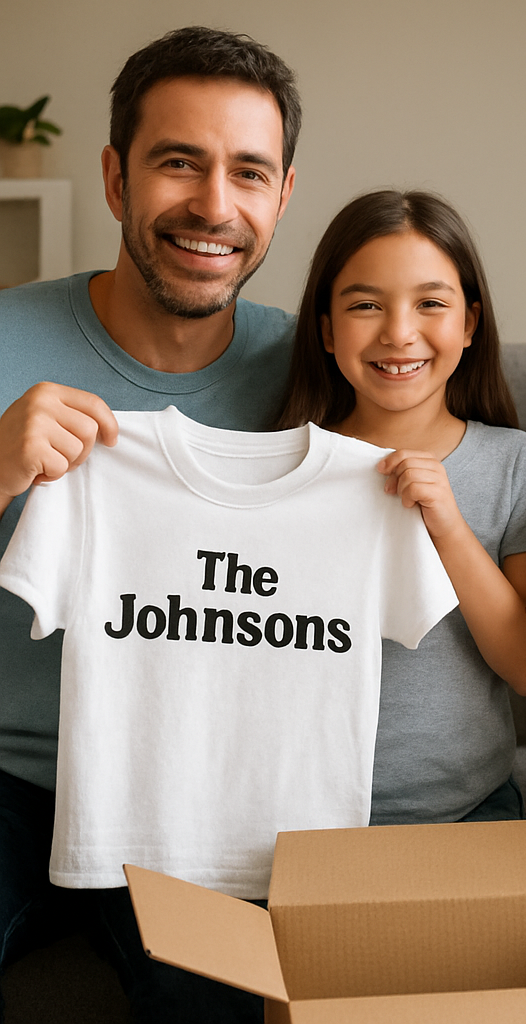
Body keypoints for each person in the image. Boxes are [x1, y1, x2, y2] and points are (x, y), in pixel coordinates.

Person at [0, 25, 299, 1022]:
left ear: (282, 196)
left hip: (192, 798)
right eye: (178, 162)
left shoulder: (326, 372)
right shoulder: (3, 338)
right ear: (115, 179)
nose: (214, 205)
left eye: (248, 172)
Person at [276, 189, 526, 825]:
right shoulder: (282, 466)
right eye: (365, 305)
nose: (399, 333)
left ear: (470, 324)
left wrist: (449, 526)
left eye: (430, 303)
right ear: (326, 330)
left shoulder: (515, 464)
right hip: (298, 810)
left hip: (469, 810)